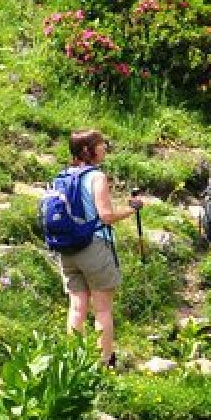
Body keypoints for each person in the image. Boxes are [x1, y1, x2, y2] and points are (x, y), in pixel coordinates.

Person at [58, 128, 143, 368]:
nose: (105, 147)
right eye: (101, 144)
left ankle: (74, 362)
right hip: (94, 245)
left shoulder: (61, 177)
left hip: (67, 248)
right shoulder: (96, 177)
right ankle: (105, 362)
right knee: (103, 309)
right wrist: (132, 209)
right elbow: (105, 216)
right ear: (88, 150)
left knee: (76, 307)